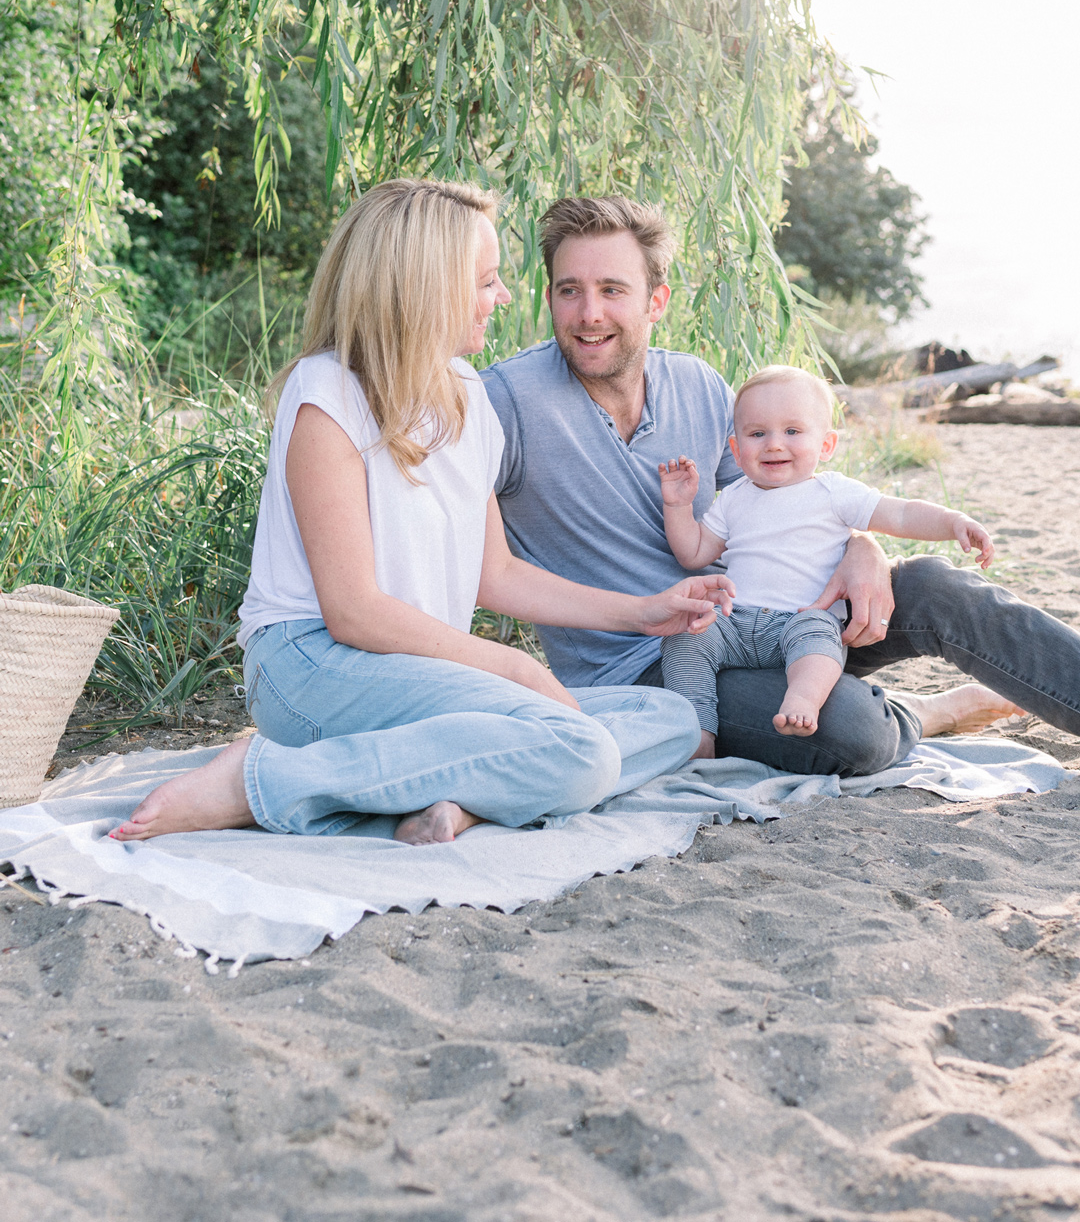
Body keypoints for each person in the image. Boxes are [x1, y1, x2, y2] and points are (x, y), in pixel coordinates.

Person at [109, 180, 728, 846]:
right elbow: (354, 611)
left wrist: (643, 610)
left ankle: (461, 796)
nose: (506, 296)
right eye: (486, 280)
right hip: (313, 666)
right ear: (427, 285)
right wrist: (514, 666)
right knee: (583, 752)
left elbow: (497, 574)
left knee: (667, 715)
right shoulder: (328, 395)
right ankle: (261, 779)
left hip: (424, 672)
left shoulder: (464, 391)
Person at [481, 195, 1080, 777]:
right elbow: (486, 574)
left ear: (655, 300)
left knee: (933, 585)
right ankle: (926, 711)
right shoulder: (504, 402)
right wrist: (640, 615)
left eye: (612, 289)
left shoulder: (698, 383)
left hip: (772, 615)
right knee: (852, 731)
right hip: (642, 668)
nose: (589, 313)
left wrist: (859, 548)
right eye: (569, 290)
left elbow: (776, 509)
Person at [659, 364, 1007, 741]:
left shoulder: (833, 493)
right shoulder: (734, 498)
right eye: (757, 433)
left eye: (792, 431)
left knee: (819, 643)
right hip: (734, 622)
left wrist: (952, 522)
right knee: (684, 638)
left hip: (801, 618)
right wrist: (678, 507)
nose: (774, 443)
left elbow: (901, 514)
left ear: (826, 445)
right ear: (736, 449)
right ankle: (697, 736)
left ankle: (803, 701)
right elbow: (692, 554)